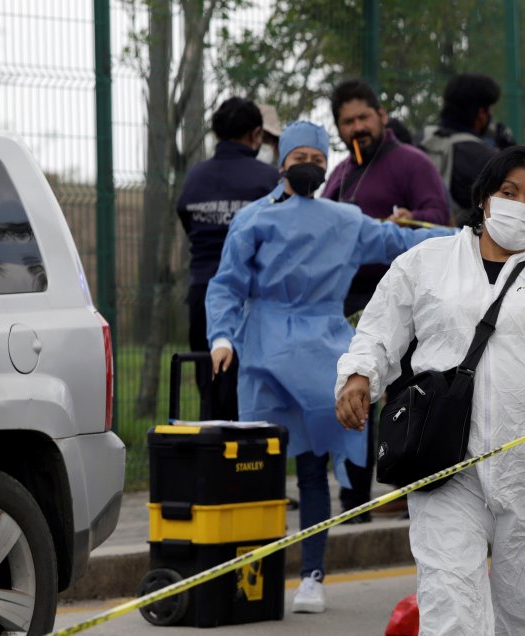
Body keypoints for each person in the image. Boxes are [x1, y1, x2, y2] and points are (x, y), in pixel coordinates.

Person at [334, 145, 525, 635]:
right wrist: (359, 376)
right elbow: (378, 329)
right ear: (485, 197)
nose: (521, 204)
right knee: (450, 601)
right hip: (444, 460)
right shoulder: (427, 262)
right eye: (509, 191)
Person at [206, 121, 451, 615]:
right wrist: (221, 335)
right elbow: (227, 284)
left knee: (312, 467)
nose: (310, 166)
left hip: (319, 351)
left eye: (319, 160)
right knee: (259, 471)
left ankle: (312, 575)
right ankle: (252, 575)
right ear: (282, 163)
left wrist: (468, 237)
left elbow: (397, 242)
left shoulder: (344, 219)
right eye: (301, 157)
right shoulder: (253, 220)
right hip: (264, 356)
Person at [321, 78, 452, 518]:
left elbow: (441, 221)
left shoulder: (412, 163)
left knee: (401, 398)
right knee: (352, 390)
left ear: (381, 116)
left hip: (404, 300)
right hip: (348, 304)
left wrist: (411, 219)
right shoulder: (339, 175)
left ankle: (408, 489)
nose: (356, 127)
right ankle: (354, 499)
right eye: (347, 121)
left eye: (363, 117)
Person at [177, 97, 279, 420]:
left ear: (217, 134)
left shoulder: (194, 179)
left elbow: (186, 219)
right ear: (256, 135)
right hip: (252, 299)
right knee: (251, 397)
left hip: (203, 296)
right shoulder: (269, 181)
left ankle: (213, 464)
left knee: (211, 389)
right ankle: (251, 466)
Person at [419, 73, 513, 226]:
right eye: (489, 110)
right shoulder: (485, 158)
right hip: (459, 243)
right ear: (481, 113)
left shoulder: (418, 140)